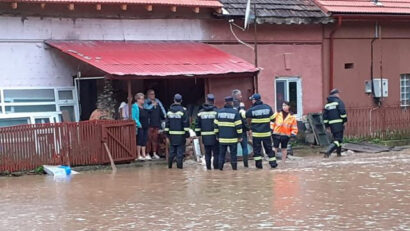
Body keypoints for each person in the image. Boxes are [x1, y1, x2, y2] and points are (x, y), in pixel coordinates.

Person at [246, 93, 277, 169]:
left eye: (252, 100)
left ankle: (259, 166)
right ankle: (273, 164)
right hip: (266, 134)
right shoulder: (268, 108)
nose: (251, 101)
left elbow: (245, 116)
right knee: (269, 149)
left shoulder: (251, 110)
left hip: (256, 135)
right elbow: (273, 119)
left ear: (254, 100)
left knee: (257, 151)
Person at [214, 96, 243, 171]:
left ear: (225, 102)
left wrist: (217, 135)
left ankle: (220, 170)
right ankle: (234, 170)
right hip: (233, 139)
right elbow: (238, 126)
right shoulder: (235, 112)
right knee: (233, 155)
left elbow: (215, 125)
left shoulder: (219, 112)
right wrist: (240, 136)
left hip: (222, 139)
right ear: (231, 102)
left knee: (222, 155)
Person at [165, 94, 189, 169]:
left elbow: (167, 124)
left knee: (172, 151)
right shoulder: (183, 110)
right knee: (179, 153)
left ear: (174, 100)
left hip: (172, 135)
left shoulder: (169, 111)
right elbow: (185, 123)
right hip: (181, 135)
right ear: (181, 101)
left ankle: (169, 167)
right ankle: (179, 169)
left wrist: (167, 135)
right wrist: (187, 135)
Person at [195, 94, 219, 170]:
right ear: (213, 101)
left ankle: (208, 169)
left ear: (207, 100)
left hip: (205, 137)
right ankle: (216, 169)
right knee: (216, 153)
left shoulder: (200, 112)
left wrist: (198, 134)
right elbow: (219, 124)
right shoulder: (216, 112)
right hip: (215, 136)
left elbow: (197, 125)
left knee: (207, 153)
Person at [323, 88, 347, 158]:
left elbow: (325, 117)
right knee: (338, 139)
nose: (339, 95)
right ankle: (328, 152)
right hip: (339, 124)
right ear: (336, 94)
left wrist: (327, 125)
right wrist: (344, 121)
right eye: (338, 93)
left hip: (332, 125)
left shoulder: (327, 105)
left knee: (338, 139)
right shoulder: (339, 102)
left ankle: (338, 154)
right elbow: (342, 112)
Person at [144, 89, 166, 159]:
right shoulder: (146, 102)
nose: (153, 95)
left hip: (156, 123)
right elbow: (146, 109)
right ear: (148, 95)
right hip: (149, 124)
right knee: (148, 139)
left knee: (155, 139)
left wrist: (165, 116)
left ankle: (154, 153)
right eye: (151, 94)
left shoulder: (158, 101)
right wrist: (152, 105)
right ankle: (147, 153)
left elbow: (162, 110)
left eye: (153, 94)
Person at [232, 89, 250, 168]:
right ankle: (246, 165)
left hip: (233, 130)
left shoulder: (230, 105)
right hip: (242, 129)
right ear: (236, 96)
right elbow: (244, 118)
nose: (241, 96)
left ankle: (234, 165)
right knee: (244, 147)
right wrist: (248, 128)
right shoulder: (241, 105)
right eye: (240, 95)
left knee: (233, 148)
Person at [132, 93, 150, 160]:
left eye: (143, 99)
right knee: (139, 139)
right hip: (139, 126)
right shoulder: (134, 106)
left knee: (144, 140)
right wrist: (138, 124)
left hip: (145, 125)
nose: (143, 100)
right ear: (137, 99)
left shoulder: (144, 107)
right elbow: (133, 117)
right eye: (142, 99)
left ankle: (144, 154)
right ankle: (138, 154)